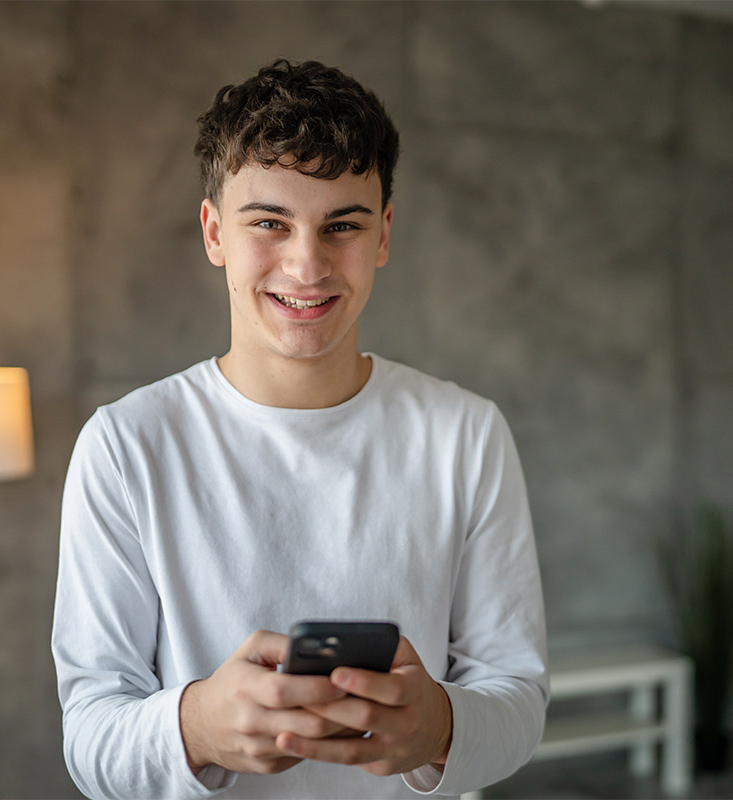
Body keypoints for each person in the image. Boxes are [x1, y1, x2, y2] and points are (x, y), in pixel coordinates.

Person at [52, 58, 548, 800]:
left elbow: (517, 698)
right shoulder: (126, 447)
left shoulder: (466, 434)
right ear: (215, 232)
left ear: (383, 234)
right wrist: (197, 728)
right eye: (269, 224)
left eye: (341, 225)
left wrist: (442, 725)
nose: (306, 265)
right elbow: (89, 732)